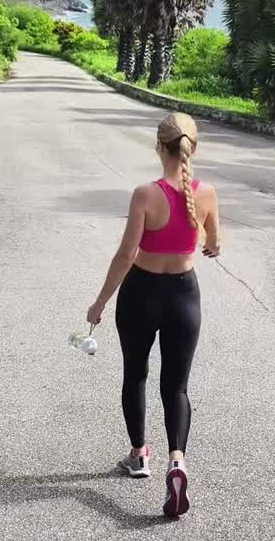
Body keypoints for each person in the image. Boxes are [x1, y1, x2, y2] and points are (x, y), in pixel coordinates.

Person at [86, 112, 221, 518]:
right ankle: (176, 460)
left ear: (159, 146)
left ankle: (139, 454)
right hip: (184, 296)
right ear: (192, 148)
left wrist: (99, 303)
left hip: (142, 292)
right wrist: (209, 242)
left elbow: (126, 255)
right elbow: (214, 243)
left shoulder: (146, 194)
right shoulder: (207, 192)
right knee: (176, 387)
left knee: (136, 374)